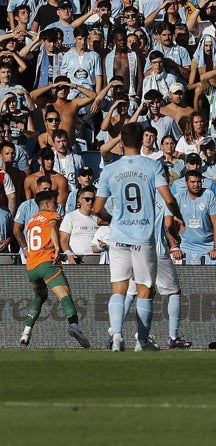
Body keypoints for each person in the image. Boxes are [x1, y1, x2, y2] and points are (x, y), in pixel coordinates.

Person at [92, 123, 185, 352]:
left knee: (119, 289)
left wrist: (111, 217)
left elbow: (96, 209)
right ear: (143, 140)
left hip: (119, 236)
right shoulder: (152, 166)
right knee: (145, 289)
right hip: (143, 237)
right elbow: (169, 200)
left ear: (121, 142)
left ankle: (116, 337)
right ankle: (142, 342)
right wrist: (178, 215)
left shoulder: (110, 169)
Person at [14, 190, 90, 348]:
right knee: (64, 294)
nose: (57, 205)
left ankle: (26, 331)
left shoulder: (31, 221)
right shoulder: (52, 216)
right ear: (48, 203)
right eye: (55, 202)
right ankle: (74, 326)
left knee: (40, 297)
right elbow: (52, 227)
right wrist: (56, 248)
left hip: (32, 266)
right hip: (47, 263)